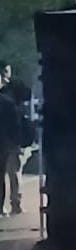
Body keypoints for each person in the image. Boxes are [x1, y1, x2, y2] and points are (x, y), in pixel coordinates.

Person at [0, 85, 21, 216]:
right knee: (2, 175)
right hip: (5, 144)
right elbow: (15, 125)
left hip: (4, 144)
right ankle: (2, 207)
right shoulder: (8, 102)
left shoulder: (7, 102)